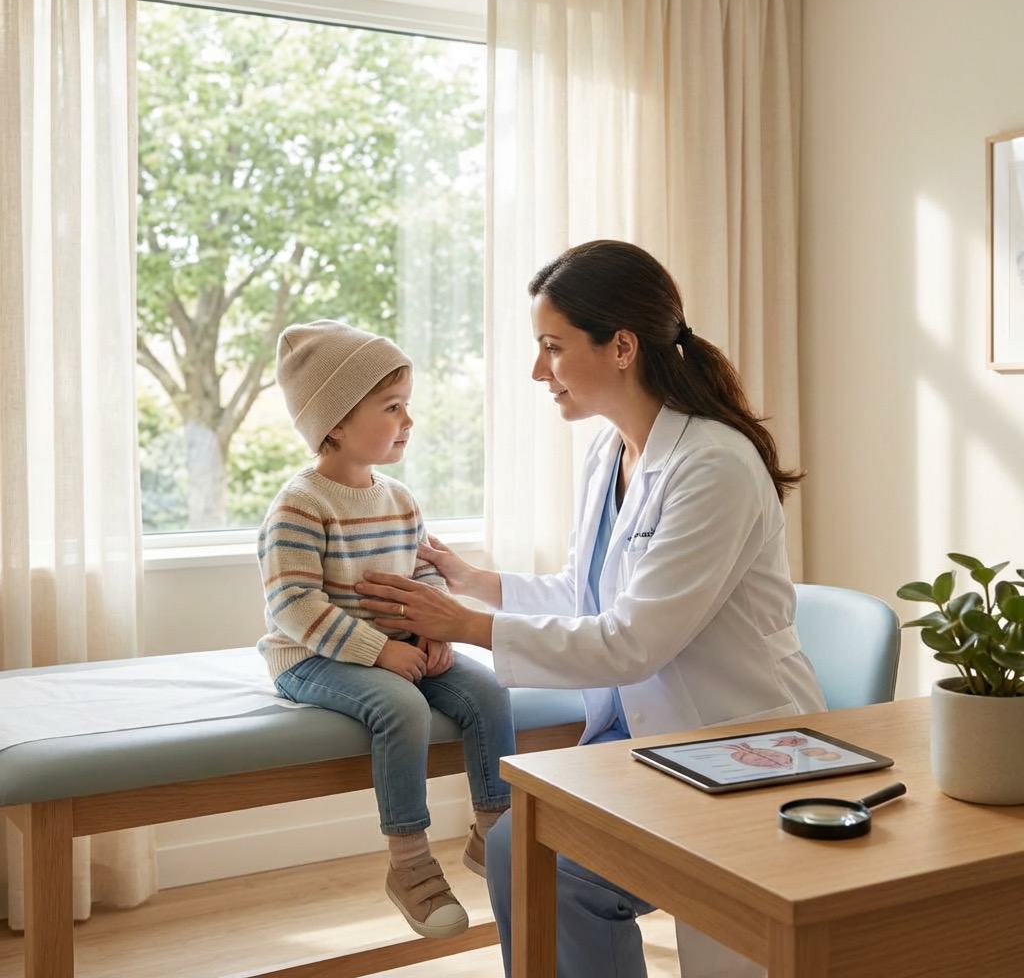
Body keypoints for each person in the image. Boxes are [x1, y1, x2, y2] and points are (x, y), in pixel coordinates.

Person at [353, 239, 827, 978]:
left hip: (734, 746)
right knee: (517, 844)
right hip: (642, 744)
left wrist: (465, 626)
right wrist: (469, 581)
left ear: (621, 347)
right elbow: (586, 596)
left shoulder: (714, 467)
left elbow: (632, 642)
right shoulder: (610, 455)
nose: (538, 370)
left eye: (552, 347)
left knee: (557, 865)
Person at [256, 319, 516, 941]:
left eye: (408, 406)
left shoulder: (398, 498)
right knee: (403, 708)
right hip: (311, 656)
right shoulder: (300, 503)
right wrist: (378, 652)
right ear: (337, 422)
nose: (409, 420)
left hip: (394, 650)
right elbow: (292, 602)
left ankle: (495, 833)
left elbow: (423, 572)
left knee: (490, 690)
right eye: (393, 407)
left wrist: (434, 634)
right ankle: (409, 864)